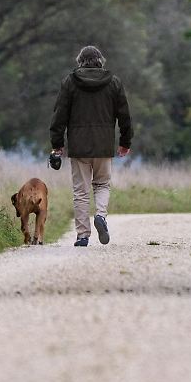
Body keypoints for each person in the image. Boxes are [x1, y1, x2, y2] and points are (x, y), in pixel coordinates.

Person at [50, 45, 133, 247]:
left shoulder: (70, 82)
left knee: (81, 191)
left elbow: (59, 115)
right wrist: (125, 141)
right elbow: (124, 115)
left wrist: (57, 145)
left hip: (79, 146)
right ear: (100, 61)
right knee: (102, 184)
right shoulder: (113, 82)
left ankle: (82, 235)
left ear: (80, 61)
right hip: (103, 145)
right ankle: (101, 216)